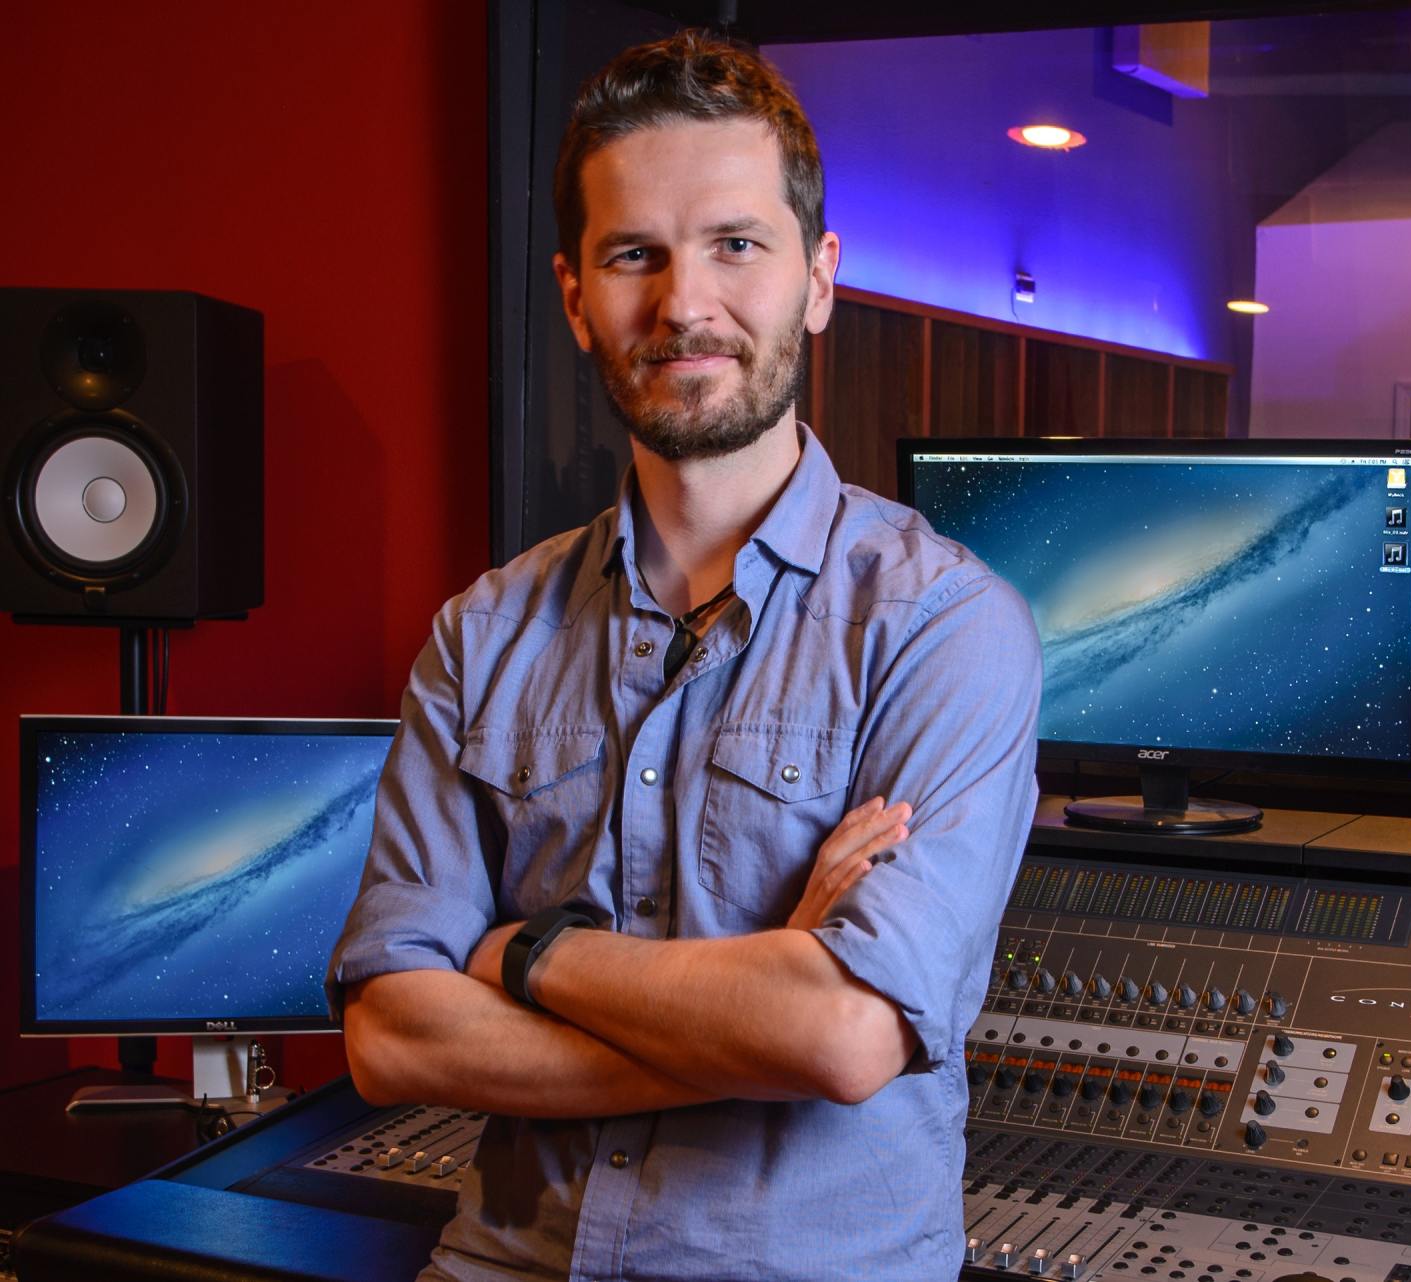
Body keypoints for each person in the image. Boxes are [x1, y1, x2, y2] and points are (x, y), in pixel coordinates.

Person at [327, 31, 1043, 1282]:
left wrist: (524, 953)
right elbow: (391, 1038)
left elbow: (844, 1036)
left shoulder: (944, 624)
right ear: (574, 297)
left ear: (819, 277)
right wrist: (756, 1023)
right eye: (634, 256)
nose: (684, 304)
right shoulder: (480, 633)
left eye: (736, 245)